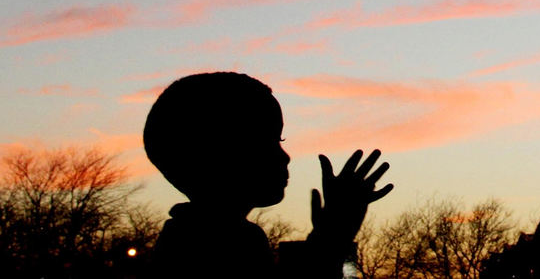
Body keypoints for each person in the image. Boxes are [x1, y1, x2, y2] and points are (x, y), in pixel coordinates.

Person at [143, 71, 392, 278]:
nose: (285, 156)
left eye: (280, 139)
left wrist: (331, 236)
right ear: (215, 152)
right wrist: (330, 238)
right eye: (267, 140)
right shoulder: (208, 249)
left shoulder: (217, 238)